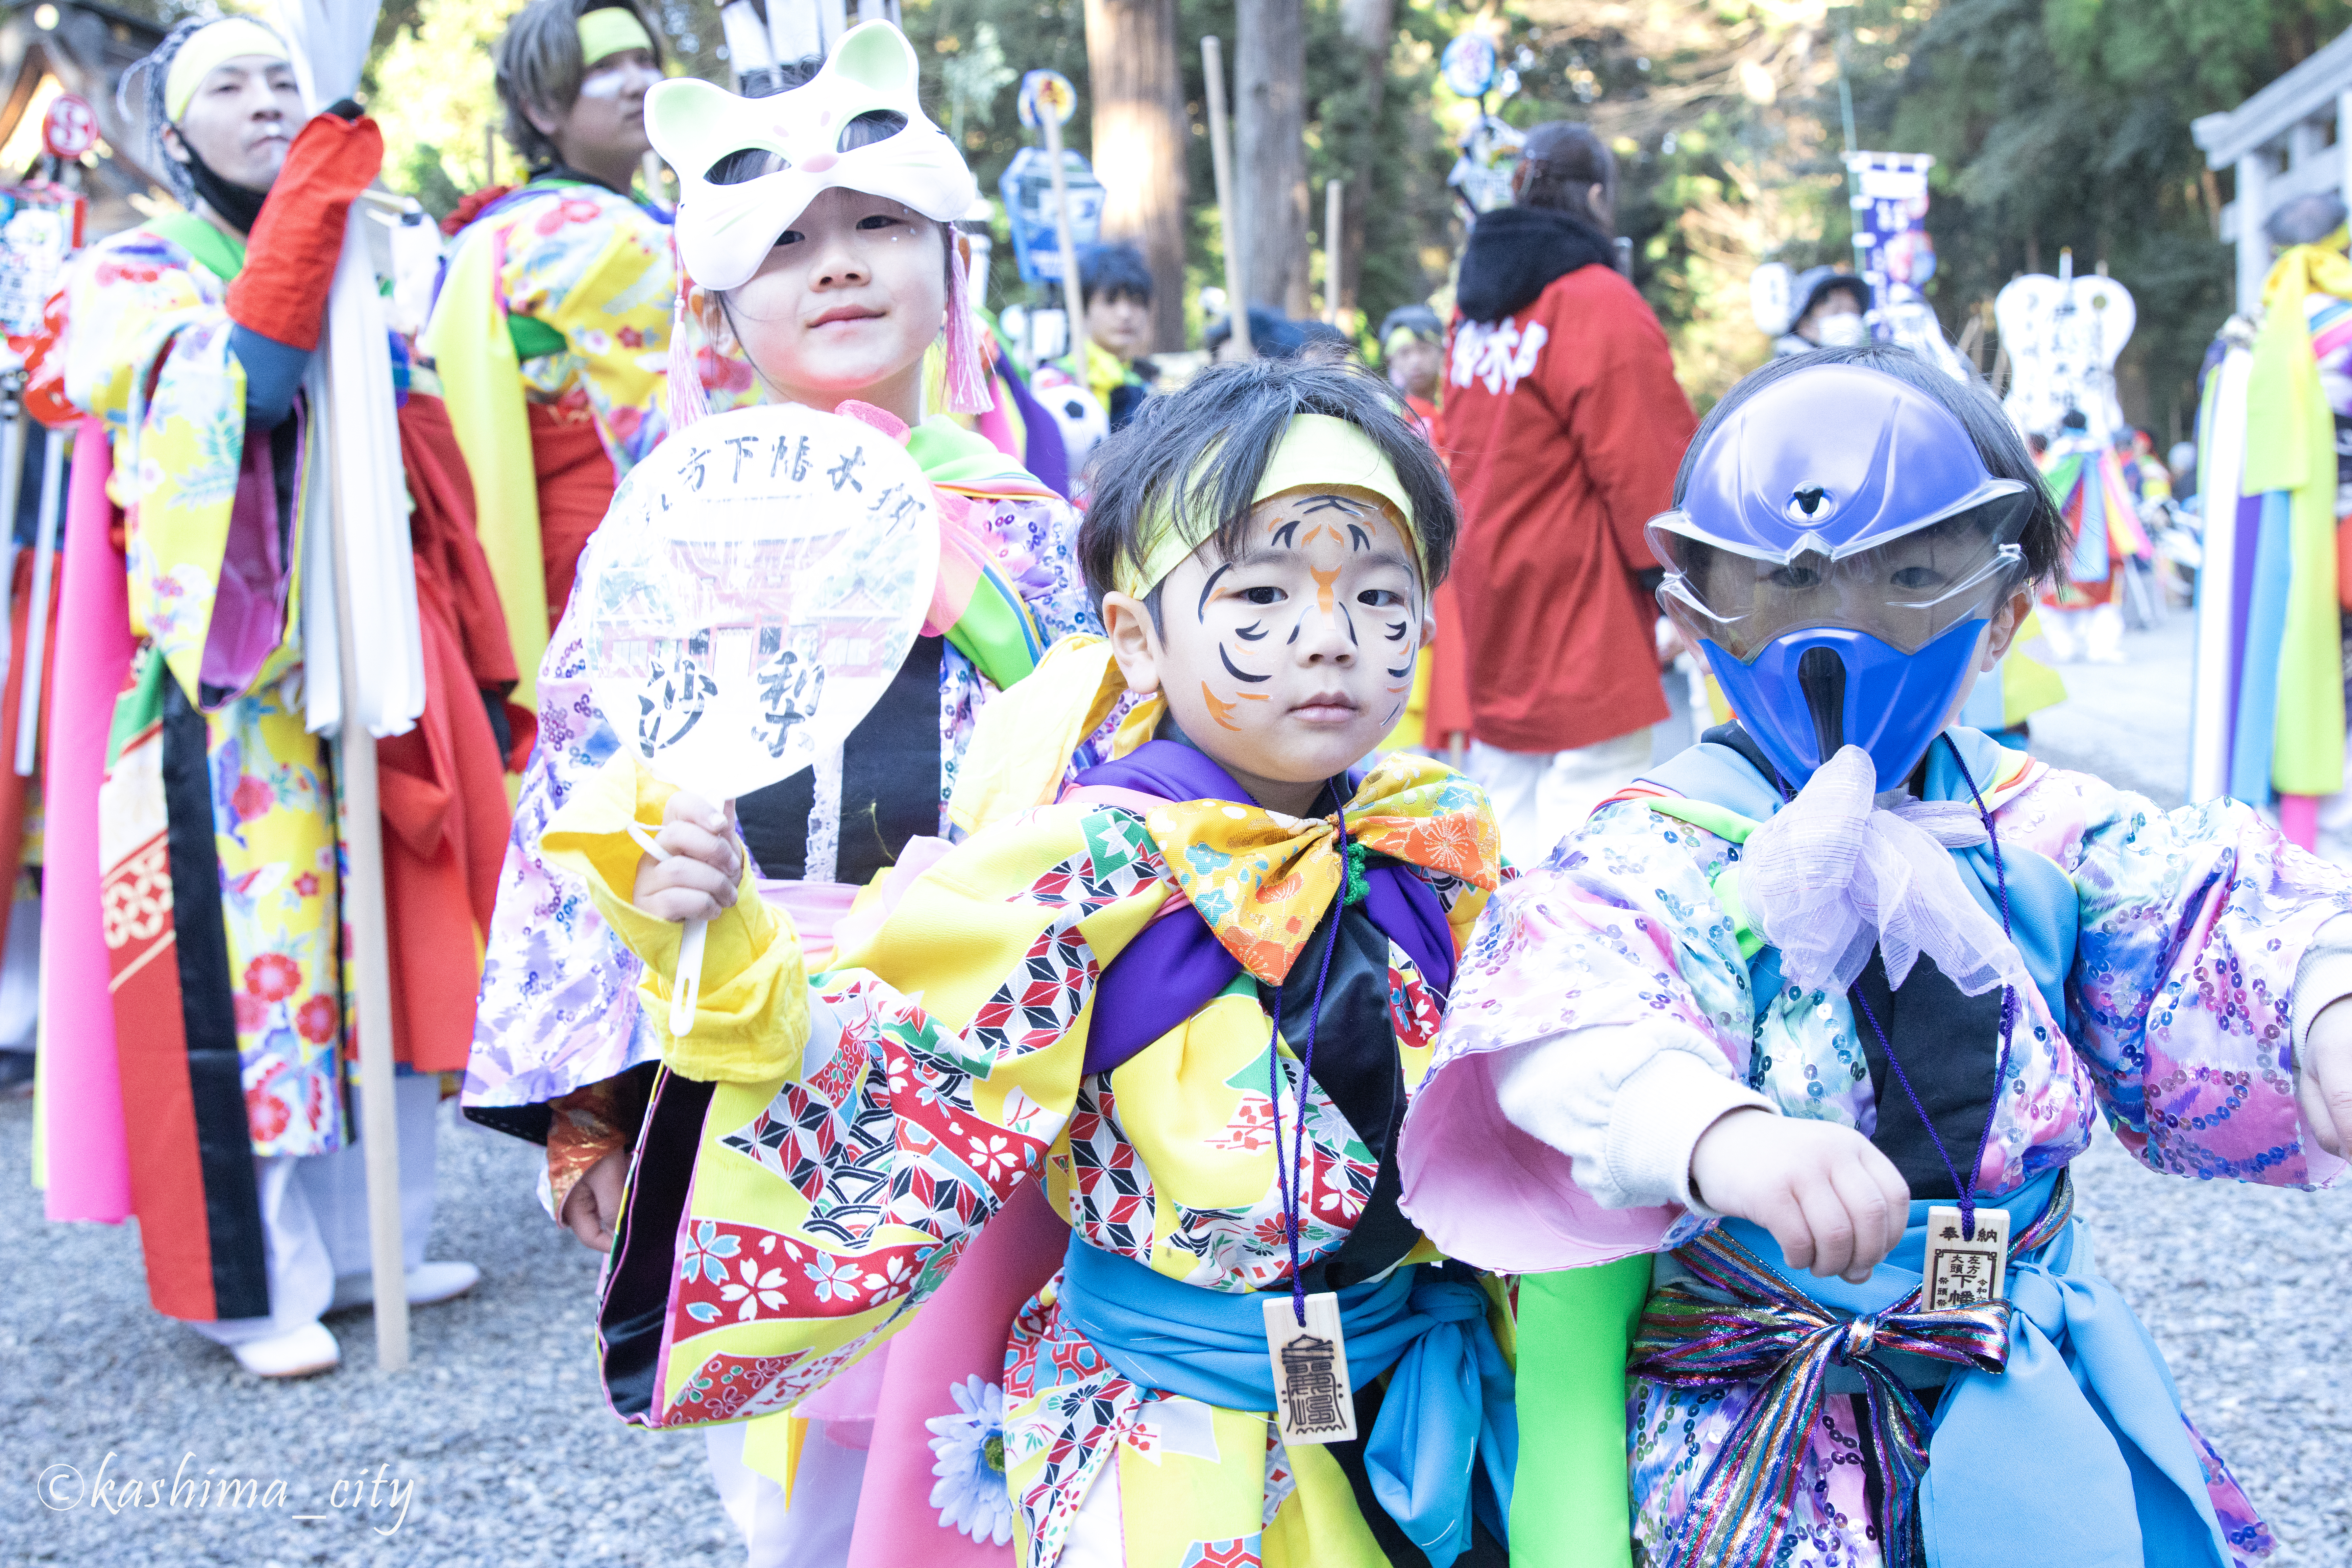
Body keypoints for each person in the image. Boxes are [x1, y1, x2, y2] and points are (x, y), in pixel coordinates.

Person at [569, 356, 1534, 1567]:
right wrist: (722, 949)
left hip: (1422, 1369)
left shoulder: (1440, 826)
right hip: (1167, 1425)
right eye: (1260, 602)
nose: (1329, 641)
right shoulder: (1080, 860)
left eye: (1379, 597)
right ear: (1135, 637)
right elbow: (878, 1063)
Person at [1398, 348, 2352, 1568]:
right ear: (1696, 612)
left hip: (2022, 1366)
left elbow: (2195, 905)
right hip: (1766, 1424)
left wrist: (2318, 992)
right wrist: (1709, 1132)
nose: (1840, 628)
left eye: (1907, 575)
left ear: (2002, 606)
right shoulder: (1654, 843)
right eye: (1785, 585)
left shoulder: (2034, 821)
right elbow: (1573, 1002)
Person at [458, 21, 1105, 1558]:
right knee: (789, 1459)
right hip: (742, 1023)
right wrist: (595, 1107)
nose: (839, 264)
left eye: (880, 224)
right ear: (716, 301)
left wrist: (990, 613)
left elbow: (1117, 785)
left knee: (976, 1432)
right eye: (789, 240)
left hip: (969, 1033)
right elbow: (581, 798)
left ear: (951, 260)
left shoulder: (1030, 523)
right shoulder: (665, 526)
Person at [56, 16, 491, 1378]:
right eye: (225, 87)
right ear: (172, 136)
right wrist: (308, 220)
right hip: (228, 692)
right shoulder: (127, 274)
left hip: (362, 658)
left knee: (377, 948)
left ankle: (372, 1238)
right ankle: (261, 1285)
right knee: (265, 983)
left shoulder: (378, 249)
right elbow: (238, 392)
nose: (262, 102)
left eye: (282, 79)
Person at [1440, 119, 1697, 867]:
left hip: (1490, 578)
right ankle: (1563, 968)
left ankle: (1489, 957)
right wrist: (1680, 577)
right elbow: (1646, 460)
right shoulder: (1595, 302)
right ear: (1593, 197)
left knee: (1505, 783)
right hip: (1578, 591)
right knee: (1592, 798)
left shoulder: (1475, 311)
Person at [421, 0, 690, 709]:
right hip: (594, 542)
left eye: (645, 61)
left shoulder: (583, 221)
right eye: (606, 68)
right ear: (543, 108)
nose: (639, 83)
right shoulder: (565, 230)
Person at [1039, 240, 1157, 432]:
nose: (1125, 314)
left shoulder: (1148, 384)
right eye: (1110, 302)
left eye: (1136, 303)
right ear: (1083, 310)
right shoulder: (1056, 380)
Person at [1771, 265, 1871, 355]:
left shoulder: (1859, 369)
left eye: (1854, 311)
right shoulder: (1796, 373)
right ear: (1805, 327)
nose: (1851, 320)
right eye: (1837, 310)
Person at [1380, 303, 1444, 438]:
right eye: (1405, 353)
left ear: (1442, 353)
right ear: (1391, 361)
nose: (1415, 361)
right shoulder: (1385, 414)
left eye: (1424, 350)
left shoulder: (1455, 406)